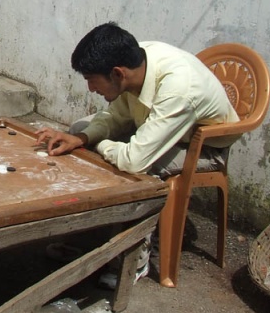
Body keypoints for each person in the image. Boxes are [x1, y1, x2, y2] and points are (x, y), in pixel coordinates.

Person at [36, 22, 239, 286]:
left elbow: (134, 160)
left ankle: (134, 260)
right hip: (155, 125)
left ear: (117, 74)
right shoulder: (135, 61)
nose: (90, 89)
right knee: (77, 131)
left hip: (201, 146)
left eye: (91, 80)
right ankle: (88, 236)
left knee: (140, 170)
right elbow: (116, 116)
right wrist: (81, 138)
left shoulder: (179, 88)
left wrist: (96, 145)